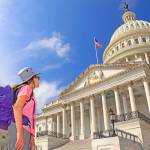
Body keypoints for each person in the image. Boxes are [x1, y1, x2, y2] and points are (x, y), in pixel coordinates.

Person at [8, 67, 40, 150]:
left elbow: (31, 117)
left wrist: (32, 139)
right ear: (31, 79)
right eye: (37, 77)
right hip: (21, 128)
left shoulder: (29, 92)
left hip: (23, 129)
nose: (39, 80)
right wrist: (20, 133)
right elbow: (17, 108)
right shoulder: (27, 88)